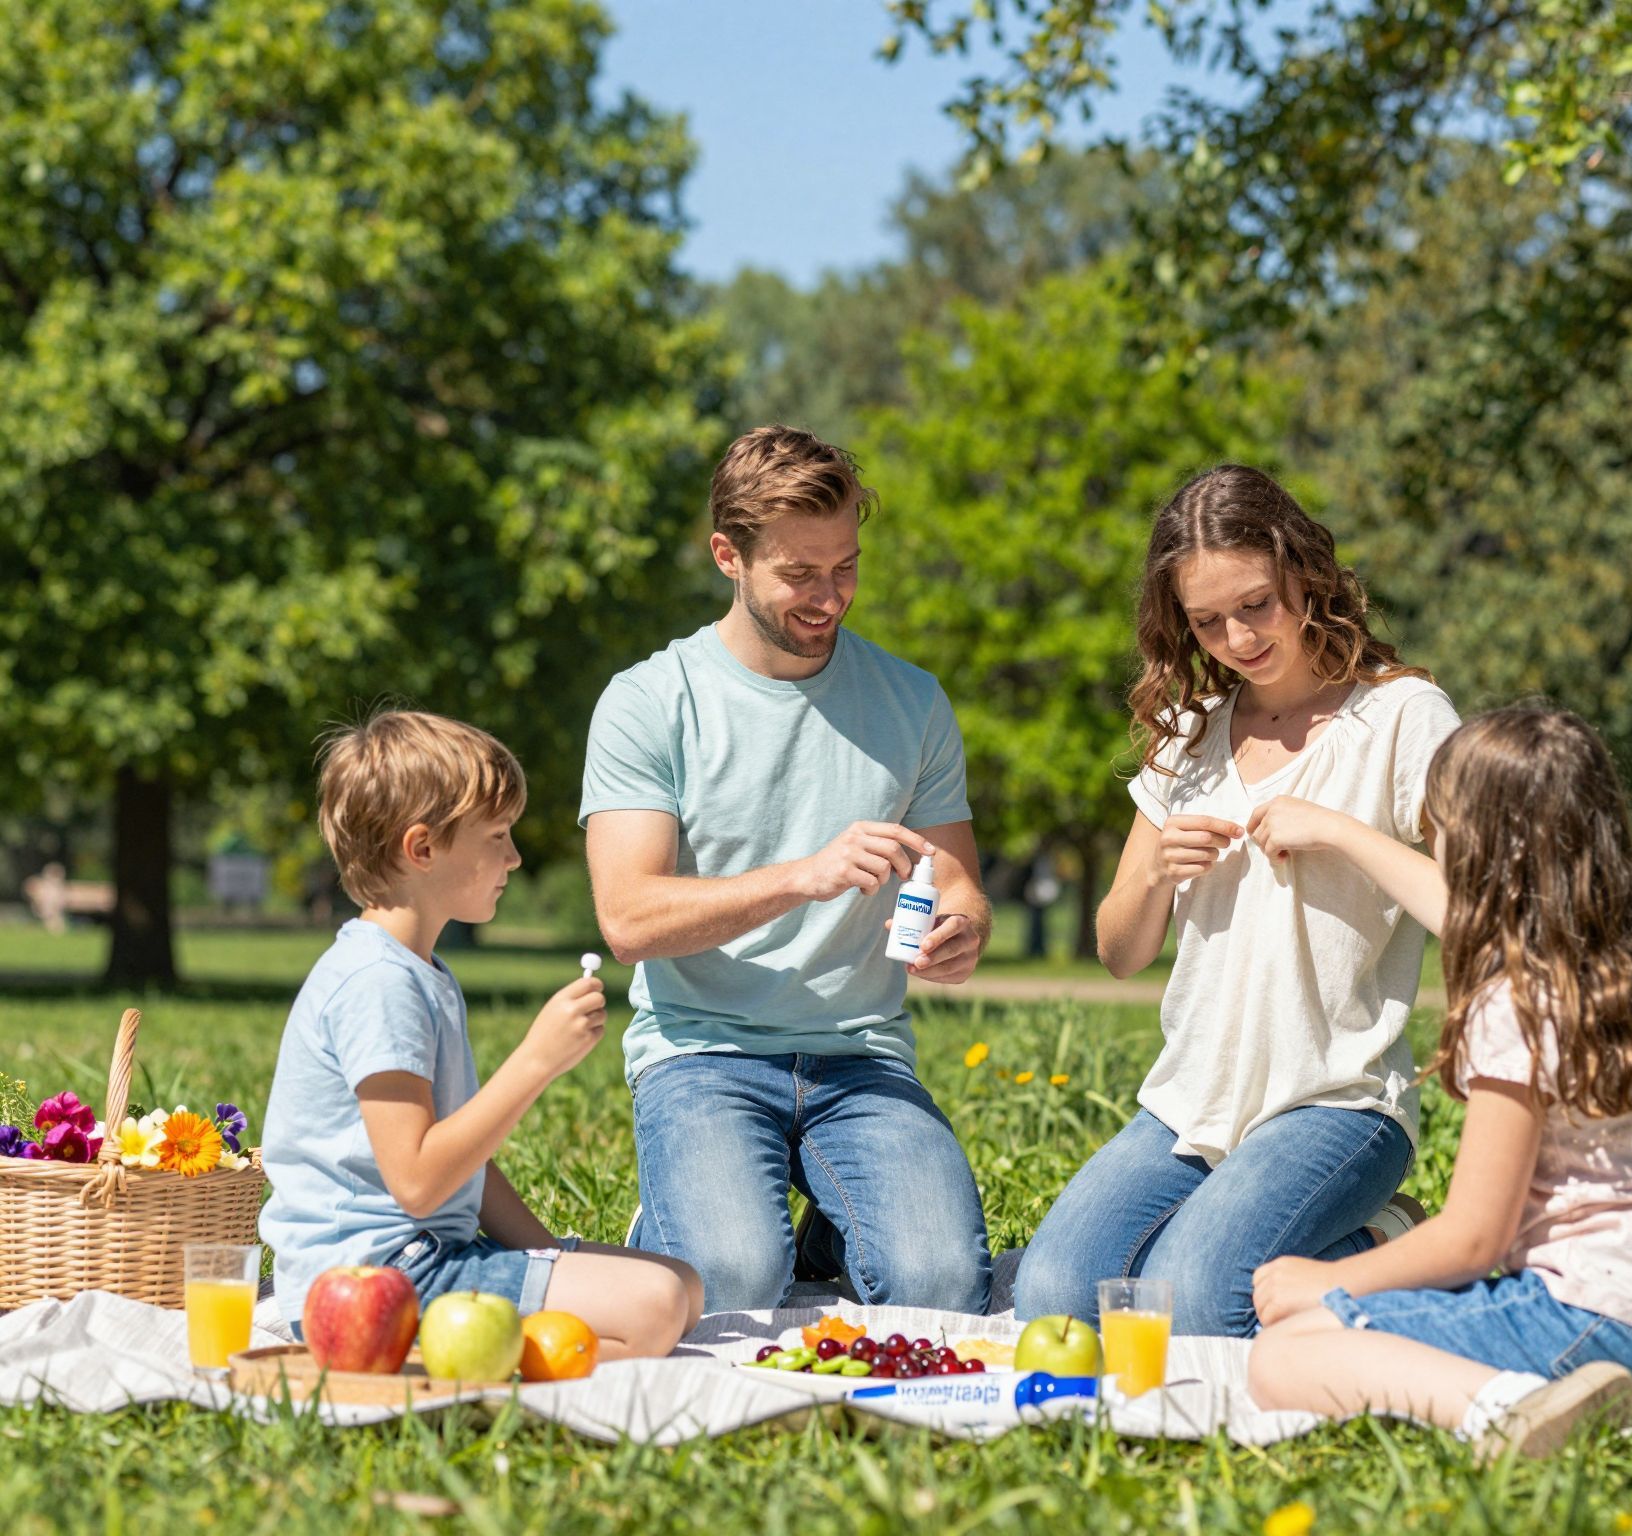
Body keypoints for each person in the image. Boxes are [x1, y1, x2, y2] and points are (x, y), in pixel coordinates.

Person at [1012, 464, 1459, 1338]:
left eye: (1256, 605)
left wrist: (1338, 830)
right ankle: (1246, 1237)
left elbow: (1472, 908)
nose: (1237, 638)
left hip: (1337, 1103)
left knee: (1194, 1306)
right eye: (1207, 621)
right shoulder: (1189, 734)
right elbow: (1118, 952)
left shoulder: (1404, 715)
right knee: (1053, 1296)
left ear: (1305, 574)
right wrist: (1153, 876)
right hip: (1190, 1101)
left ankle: (1389, 1238)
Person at [581, 425, 993, 1315]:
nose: (829, 597)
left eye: (845, 566)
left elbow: (956, 882)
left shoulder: (912, 699)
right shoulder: (650, 700)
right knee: (731, 1280)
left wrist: (962, 930)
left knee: (943, 1286)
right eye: (799, 573)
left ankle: (828, 1223)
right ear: (728, 555)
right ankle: (684, 1224)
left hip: (862, 1055)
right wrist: (801, 876)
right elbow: (627, 919)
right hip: (703, 1052)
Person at [1245, 705, 1632, 1459]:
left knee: (1285, 1352)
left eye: (1435, 829)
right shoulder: (1620, 969)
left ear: (1476, 851)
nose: (1430, 846)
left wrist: (1326, 1288)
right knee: (1332, 1314)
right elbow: (1467, 916)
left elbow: (1475, 1238)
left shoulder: (1517, 1004)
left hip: (1595, 1330)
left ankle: (1514, 1412)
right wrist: (1340, 830)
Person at [260, 711, 702, 1358]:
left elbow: (465, 1169)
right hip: (372, 1283)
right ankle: (444, 1356)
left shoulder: (420, 971)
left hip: (435, 1254)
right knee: (657, 1305)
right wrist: (535, 1062)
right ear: (422, 848)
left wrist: (545, 1254)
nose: (515, 857)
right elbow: (416, 1182)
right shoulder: (376, 984)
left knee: (683, 1285)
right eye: (496, 835)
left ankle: (476, 1343)